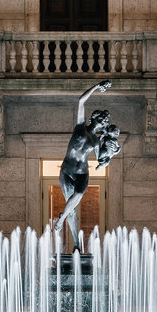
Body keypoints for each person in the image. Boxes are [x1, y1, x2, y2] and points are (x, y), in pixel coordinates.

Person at [51, 80, 121, 251]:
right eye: (101, 118)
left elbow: (100, 160)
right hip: (67, 171)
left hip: (82, 172)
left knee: (79, 194)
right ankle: (76, 245)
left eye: (104, 120)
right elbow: (81, 101)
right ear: (93, 118)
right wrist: (97, 87)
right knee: (72, 209)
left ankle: (60, 220)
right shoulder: (80, 127)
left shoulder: (97, 140)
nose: (103, 120)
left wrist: (112, 152)